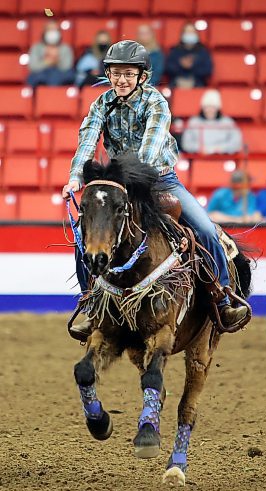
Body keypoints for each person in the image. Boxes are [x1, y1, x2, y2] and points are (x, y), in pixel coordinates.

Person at [61, 40, 248, 337]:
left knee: (206, 230)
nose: (121, 80)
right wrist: (75, 176)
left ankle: (222, 298)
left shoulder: (156, 102)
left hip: (159, 180)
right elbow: (87, 141)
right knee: (87, 236)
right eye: (116, 73)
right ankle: (90, 304)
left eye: (128, 74)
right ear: (108, 75)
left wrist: (131, 177)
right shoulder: (100, 105)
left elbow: (150, 148)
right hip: (118, 184)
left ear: (141, 76)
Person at [181, 89, 243, 154]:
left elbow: (236, 143)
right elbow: (186, 144)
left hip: (223, 158)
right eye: (207, 107)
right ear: (202, 108)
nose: (210, 110)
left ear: (218, 108)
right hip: (199, 158)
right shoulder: (193, 122)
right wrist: (201, 148)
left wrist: (220, 148)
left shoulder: (228, 122)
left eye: (213, 107)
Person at [27, 20, 75, 88]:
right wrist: (47, 62)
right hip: (41, 77)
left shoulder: (65, 48)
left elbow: (67, 66)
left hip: (61, 78)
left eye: (56, 30)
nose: (53, 32)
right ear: (44, 32)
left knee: (68, 75)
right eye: (50, 29)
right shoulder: (36, 47)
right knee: (36, 77)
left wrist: (56, 60)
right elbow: (33, 67)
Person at [165, 22, 212, 88]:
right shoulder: (175, 51)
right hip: (176, 83)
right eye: (187, 32)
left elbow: (207, 70)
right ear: (182, 34)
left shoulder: (203, 52)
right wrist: (181, 66)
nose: (189, 34)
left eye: (192, 32)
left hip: (197, 83)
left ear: (196, 34)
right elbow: (168, 68)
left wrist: (192, 67)